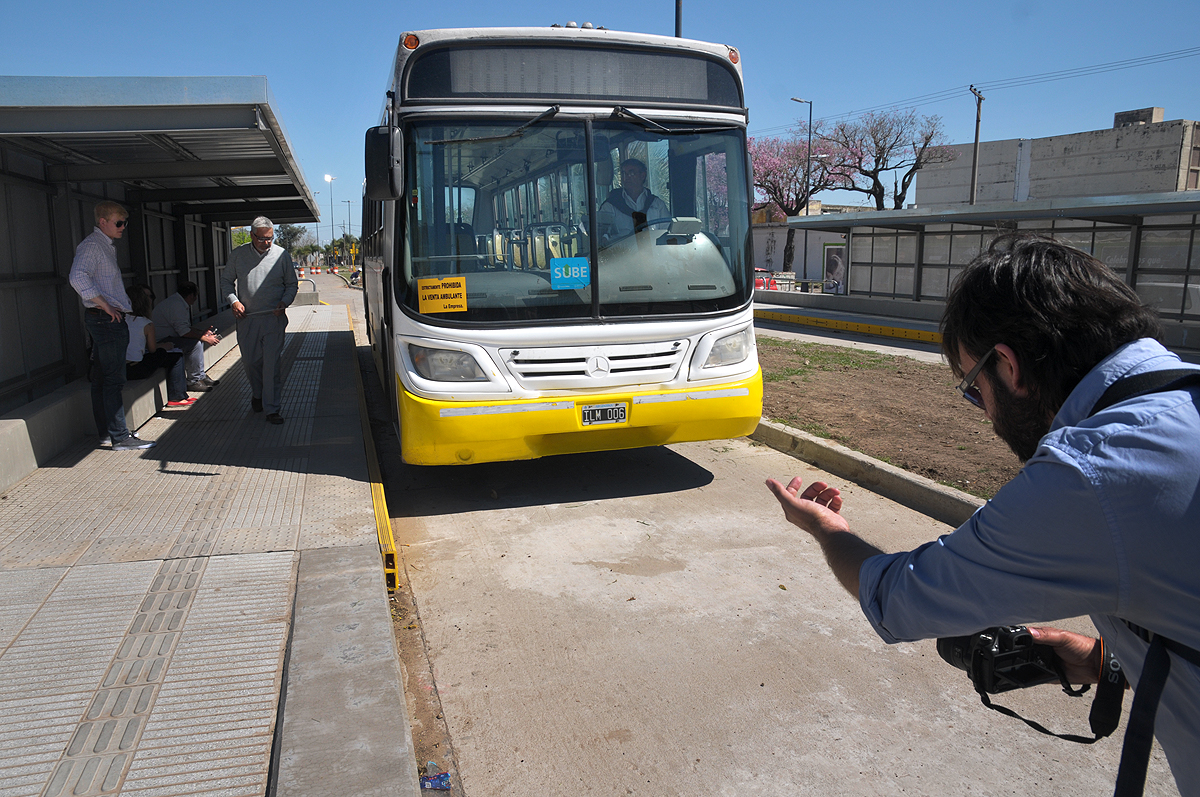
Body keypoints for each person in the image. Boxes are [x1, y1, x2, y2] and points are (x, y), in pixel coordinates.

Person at [766, 234, 1200, 793]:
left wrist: (826, 528)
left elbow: (896, 596)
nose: (985, 414)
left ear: (1009, 365)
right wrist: (1098, 660)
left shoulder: (1092, 473)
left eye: (974, 389)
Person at [67, 201, 155, 451]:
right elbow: (77, 276)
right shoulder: (93, 246)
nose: (123, 227)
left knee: (103, 378)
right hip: (106, 320)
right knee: (114, 379)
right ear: (102, 221)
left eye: (124, 223)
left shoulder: (103, 246)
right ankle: (120, 436)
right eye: (118, 223)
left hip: (105, 318)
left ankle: (107, 433)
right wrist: (105, 305)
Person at [220, 216, 298, 424]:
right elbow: (226, 282)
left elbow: (292, 284)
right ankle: (257, 393)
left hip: (273, 320)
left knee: (271, 365)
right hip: (247, 320)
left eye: (270, 239)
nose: (267, 243)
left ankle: (272, 408)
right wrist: (234, 301)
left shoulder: (282, 256)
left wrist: (285, 302)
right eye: (262, 239)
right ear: (252, 236)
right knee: (251, 362)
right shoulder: (238, 255)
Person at [126, 287, 194, 408]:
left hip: (119, 368)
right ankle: (177, 396)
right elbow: (153, 349)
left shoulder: (119, 320)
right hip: (136, 369)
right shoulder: (146, 323)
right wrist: (165, 346)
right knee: (175, 356)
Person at [152, 281, 221, 392]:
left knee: (197, 340)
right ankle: (193, 381)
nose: (196, 299)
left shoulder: (176, 302)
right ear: (191, 295)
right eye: (196, 295)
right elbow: (183, 332)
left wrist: (201, 333)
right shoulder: (177, 305)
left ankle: (200, 375)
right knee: (195, 344)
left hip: (170, 336)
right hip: (162, 341)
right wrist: (204, 338)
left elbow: (184, 327)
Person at [597, 158, 669, 242]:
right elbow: (602, 237)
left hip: (653, 252)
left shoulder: (657, 204)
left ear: (642, 175)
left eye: (631, 173)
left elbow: (667, 232)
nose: (626, 178)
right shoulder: (610, 206)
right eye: (624, 173)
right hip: (621, 253)